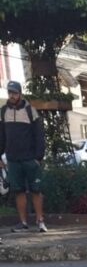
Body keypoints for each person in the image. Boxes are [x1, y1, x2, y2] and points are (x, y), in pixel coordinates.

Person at [0, 80, 47, 232]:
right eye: (10, 92)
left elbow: (39, 135)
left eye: (14, 92)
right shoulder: (3, 111)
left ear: (20, 93)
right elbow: (1, 136)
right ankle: (23, 223)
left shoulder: (30, 111)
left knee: (36, 189)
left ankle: (40, 221)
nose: (12, 95)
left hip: (30, 158)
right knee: (18, 191)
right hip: (13, 159)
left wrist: (38, 157)